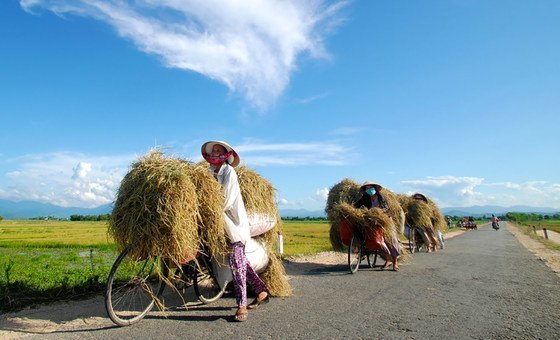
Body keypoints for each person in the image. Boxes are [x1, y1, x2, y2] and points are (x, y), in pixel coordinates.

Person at [201, 140, 269, 322]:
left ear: (225, 155)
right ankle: (261, 290)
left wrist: (208, 208)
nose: (214, 153)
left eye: (218, 150)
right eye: (213, 151)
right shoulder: (208, 173)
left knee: (237, 265)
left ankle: (241, 305)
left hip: (233, 225)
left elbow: (226, 200)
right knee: (241, 262)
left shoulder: (229, 172)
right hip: (218, 224)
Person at [354, 181, 401, 271]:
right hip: (373, 221)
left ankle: (395, 263)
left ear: (375, 188)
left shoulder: (381, 197)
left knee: (391, 239)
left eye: (370, 187)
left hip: (385, 220)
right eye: (367, 188)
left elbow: (387, 208)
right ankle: (388, 260)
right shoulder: (365, 197)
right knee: (377, 240)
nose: (369, 189)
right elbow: (357, 205)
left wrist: (378, 211)